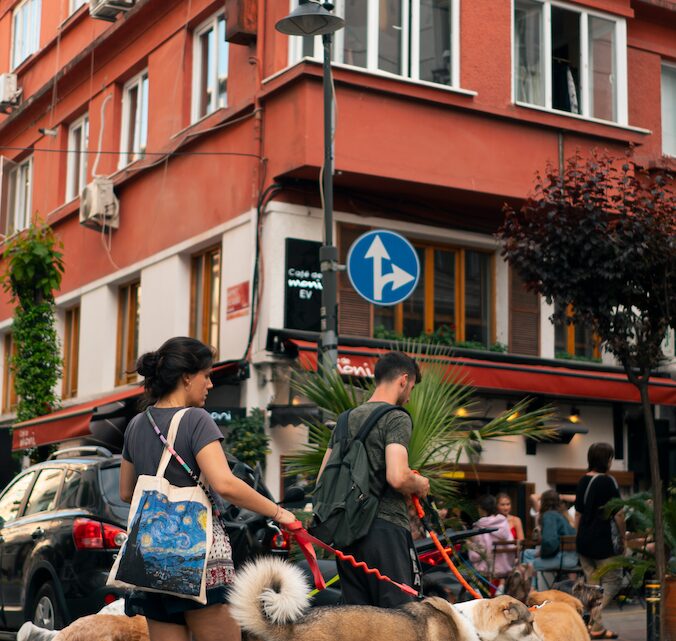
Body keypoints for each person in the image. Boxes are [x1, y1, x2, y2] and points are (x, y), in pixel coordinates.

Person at [119, 337, 296, 641]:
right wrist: (280, 513)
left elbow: (126, 492)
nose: (210, 384)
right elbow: (225, 483)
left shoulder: (137, 424)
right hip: (197, 560)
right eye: (207, 375)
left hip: (149, 562)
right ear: (187, 377)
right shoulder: (195, 419)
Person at [316, 351, 430, 608]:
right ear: (403, 380)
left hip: (347, 535)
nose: (409, 395)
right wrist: (421, 484)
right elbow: (398, 477)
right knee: (401, 617)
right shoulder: (396, 417)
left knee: (359, 621)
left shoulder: (345, 419)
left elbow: (323, 477)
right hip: (385, 530)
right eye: (411, 387)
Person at [575, 443, 626, 640]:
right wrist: (623, 538)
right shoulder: (608, 481)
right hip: (603, 543)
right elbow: (619, 514)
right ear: (607, 460)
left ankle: (595, 628)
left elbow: (578, 514)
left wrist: (579, 538)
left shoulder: (582, 481)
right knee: (614, 582)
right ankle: (591, 620)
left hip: (584, 542)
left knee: (593, 585)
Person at [522, 490, 578, 587]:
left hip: (562, 560)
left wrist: (542, 553)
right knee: (526, 553)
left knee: (526, 560)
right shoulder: (564, 515)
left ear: (543, 502)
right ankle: (532, 587)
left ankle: (531, 589)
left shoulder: (549, 516)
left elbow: (549, 542)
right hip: (573, 557)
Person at [468, 494, 515, 577]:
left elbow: (476, 556)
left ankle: (475, 590)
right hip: (507, 567)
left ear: (482, 509)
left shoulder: (479, 526)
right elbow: (511, 547)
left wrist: (469, 544)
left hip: (486, 569)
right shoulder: (504, 522)